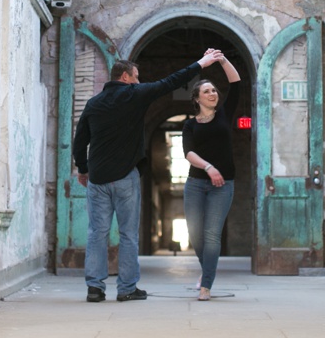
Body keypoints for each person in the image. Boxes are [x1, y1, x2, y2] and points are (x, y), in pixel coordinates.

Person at [73, 50, 221, 303]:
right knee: (129, 234)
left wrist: (83, 169)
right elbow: (171, 81)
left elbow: (80, 141)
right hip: (125, 178)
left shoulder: (93, 103)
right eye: (137, 77)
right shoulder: (134, 94)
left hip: (97, 178)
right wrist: (200, 64)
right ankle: (127, 288)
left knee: (96, 232)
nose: (139, 82)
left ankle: (95, 288)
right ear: (126, 77)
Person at [181, 52, 241, 301]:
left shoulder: (225, 114)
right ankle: (206, 271)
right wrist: (208, 167)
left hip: (223, 184)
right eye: (207, 91)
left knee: (212, 234)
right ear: (197, 98)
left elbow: (236, 83)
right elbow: (188, 153)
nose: (213, 93)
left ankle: (206, 286)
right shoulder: (190, 124)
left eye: (214, 90)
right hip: (196, 183)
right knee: (195, 234)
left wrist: (222, 60)